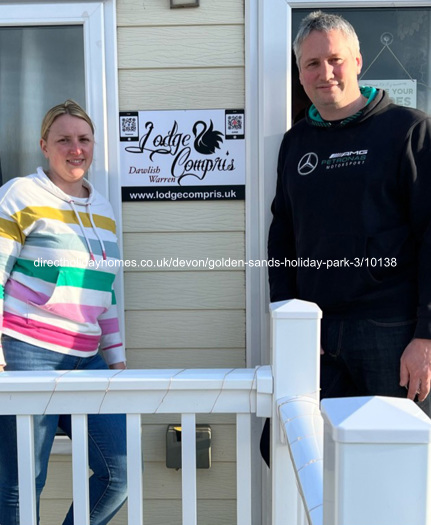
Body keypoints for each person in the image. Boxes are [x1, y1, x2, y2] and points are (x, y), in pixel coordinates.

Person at [264, 11, 431, 464]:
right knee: (286, 449)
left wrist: (426, 336)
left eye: (335, 59)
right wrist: (289, 316)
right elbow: (282, 236)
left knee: (392, 460)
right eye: (311, 64)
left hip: (389, 334)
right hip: (316, 331)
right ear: (300, 75)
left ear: (358, 61)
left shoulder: (408, 130)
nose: (325, 73)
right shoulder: (296, 142)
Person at [0, 100, 128, 524]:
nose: (76, 149)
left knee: (119, 472)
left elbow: (103, 292)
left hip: (87, 358)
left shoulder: (104, 210)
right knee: (23, 480)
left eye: (84, 139)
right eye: (64, 140)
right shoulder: (21, 195)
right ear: (44, 145)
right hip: (27, 354)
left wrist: (117, 360)